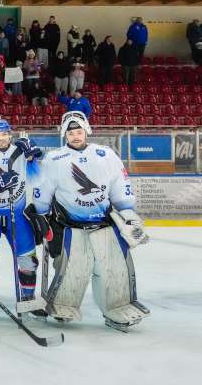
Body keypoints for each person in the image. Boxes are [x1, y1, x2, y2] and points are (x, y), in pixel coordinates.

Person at [32, 111, 150, 331]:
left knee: (115, 270)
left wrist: (128, 212)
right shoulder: (53, 159)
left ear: (86, 131)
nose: (75, 136)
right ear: (64, 135)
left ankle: (117, 307)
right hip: (70, 227)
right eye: (71, 133)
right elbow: (42, 190)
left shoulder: (106, 155)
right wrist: (40, 214)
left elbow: (120, 185)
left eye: (78, 131)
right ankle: (62, 305)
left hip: (105, 225)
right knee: (73, 270)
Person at [0, 119, 45, 318]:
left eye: (4, 134)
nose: (1, 138)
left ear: (9, 135)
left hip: (18, 214)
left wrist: (32, 160)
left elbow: (37, 180)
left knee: (28, 260)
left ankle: (28, 298)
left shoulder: (20, 152)